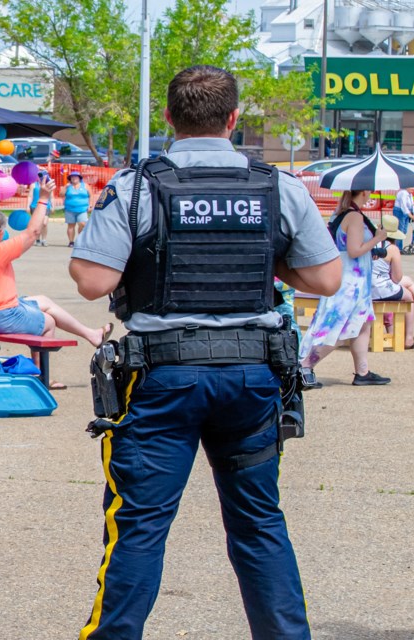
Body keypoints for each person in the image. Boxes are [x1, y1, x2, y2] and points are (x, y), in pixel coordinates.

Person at [68, 65, 342, 639]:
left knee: (139, 525)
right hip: (251, 375)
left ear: (169, 118)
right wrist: (270, 261)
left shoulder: (137, 184)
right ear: (234, 119)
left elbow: (93, 282)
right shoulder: (278, 185)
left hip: (164, 375)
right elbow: (327, 278)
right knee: (259, 522)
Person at [0, 180, 110, 389]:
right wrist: (44, 199)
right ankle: (41, 377)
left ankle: (92, 334)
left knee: (43, 301)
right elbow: (33, 232)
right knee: (48, 321)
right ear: (0, 234)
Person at [299, 189, 390, 387]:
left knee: (362, 324)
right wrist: (378, 237)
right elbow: (354, 250)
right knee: (338, 328)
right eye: (371, 192)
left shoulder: (342, 213)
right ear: (364, 193)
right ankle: (304, 366)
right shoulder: (355, 216)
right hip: (351, 283)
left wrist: (372, 249)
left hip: (354, 280)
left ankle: (362, 372)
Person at [371, 217, 414, 349]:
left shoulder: (369, 243)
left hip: (367, 287)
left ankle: (403, 335)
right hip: (381, 288)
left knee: (409, 284)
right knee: (409, 297)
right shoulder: (392, 248)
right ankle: (408, 337)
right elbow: (396, 278)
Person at [62, 170, 91, 247]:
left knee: (82, 223)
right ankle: (71, 241)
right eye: (72, 177)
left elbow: (90, 195)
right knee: (71, 225)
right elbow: (61, 194)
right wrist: (65, 188)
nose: (74, 178)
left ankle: (80, 240)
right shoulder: (68, 186)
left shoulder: (85, 186)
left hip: (82, 208)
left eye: (75, 177)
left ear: (79, 178)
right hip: (70, 209)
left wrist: (90, 205)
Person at [29, 173, 52, 246]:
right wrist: (27, 206)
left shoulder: (48, 185)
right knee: (37, 224)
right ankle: (37, 239)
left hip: (46, 206)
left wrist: (52, 205)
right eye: (39, 176)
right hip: (35, 206)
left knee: (44, 223)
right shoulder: (33, 185)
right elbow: (30, 196)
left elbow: (52, 196)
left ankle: (44, 239)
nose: (41, 178)